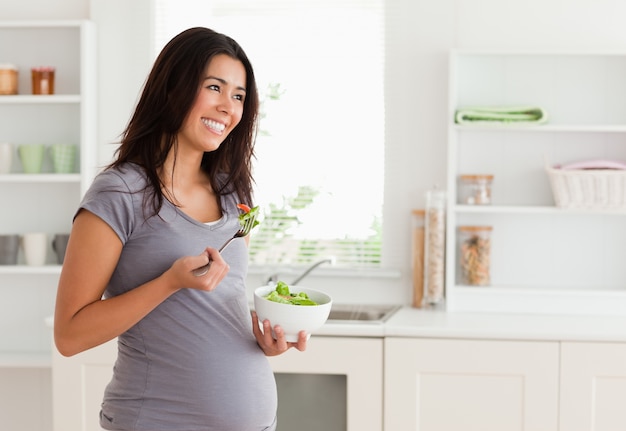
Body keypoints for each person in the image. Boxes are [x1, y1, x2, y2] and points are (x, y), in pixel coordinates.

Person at [53, 27, 307, 431]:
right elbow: (69, 336)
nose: (228, 107)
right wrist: (168, 282)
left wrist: (262, 341)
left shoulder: (235, 192)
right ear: (174, 87)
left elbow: (221, 302)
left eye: (239, 96)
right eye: (214, 87)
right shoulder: (119, 192)